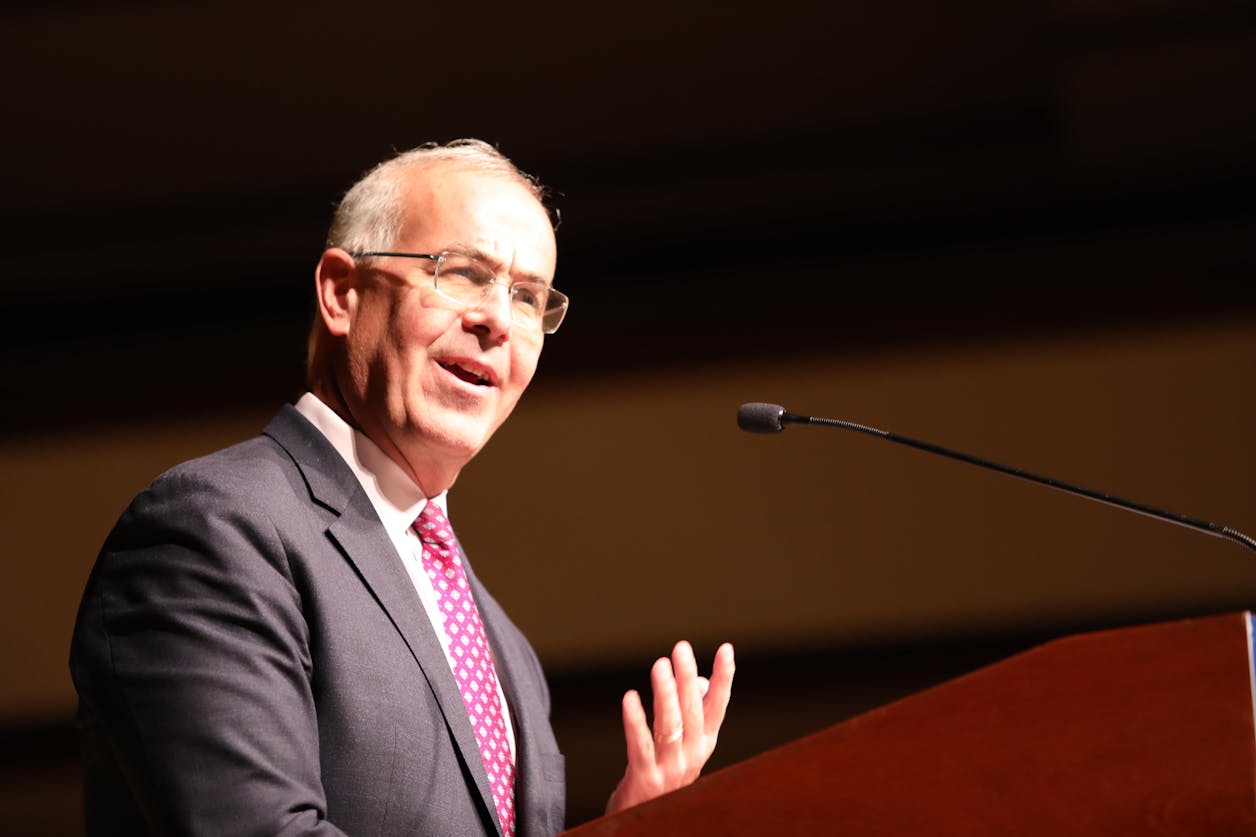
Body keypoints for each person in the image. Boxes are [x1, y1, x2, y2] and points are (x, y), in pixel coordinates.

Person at [69, 139, 735, 836]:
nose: (499, 321)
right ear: (341, 292)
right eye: (464, 274)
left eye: (529, 297)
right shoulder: (213, 530)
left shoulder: (505, 647)